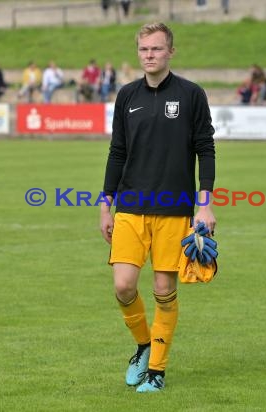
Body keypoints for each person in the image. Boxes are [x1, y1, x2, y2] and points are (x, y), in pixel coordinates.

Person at [100, 22, 216, 393]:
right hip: (131, 205)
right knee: (123, 286)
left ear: (170, 52)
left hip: (174, 209)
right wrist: (106, 204)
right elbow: (117, 151)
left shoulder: (191, 94)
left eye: (156, 49)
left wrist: (204, 205)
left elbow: (205, 149)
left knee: (164, 290)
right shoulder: (126, 95)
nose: (149, 55)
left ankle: (157, 370)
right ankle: (144, 345)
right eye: (144, 50)